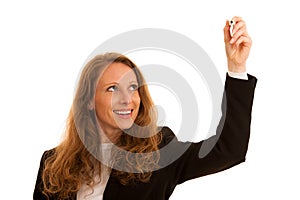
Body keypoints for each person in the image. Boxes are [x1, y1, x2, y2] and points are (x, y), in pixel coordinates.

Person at [34, 16, 257, 200]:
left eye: (132, 87)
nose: (127, 99)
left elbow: (229, 150)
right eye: (112, 89)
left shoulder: (159, 150)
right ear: (89, 101)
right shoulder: (52, 165)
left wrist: (236, 67)